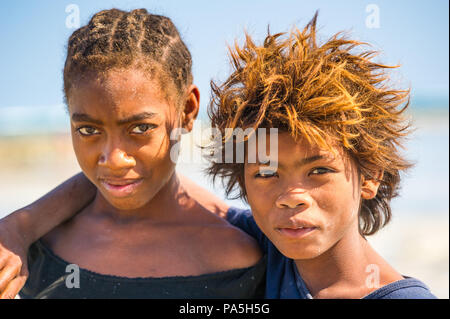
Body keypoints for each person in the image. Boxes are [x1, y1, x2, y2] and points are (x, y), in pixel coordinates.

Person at [0, 13, 437, 299]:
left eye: (319, 170)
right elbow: (136, 174)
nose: (292, 196)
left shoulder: (273, 250)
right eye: (266, 173)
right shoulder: (269, 239)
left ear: (371, 172)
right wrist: (20, 224)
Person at [0, 8, 265, 299]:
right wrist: (20, 227)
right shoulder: (31, 253)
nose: (114, 159)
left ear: (188, 109)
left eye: (140, 127)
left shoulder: (240, 257)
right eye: (88, 130)